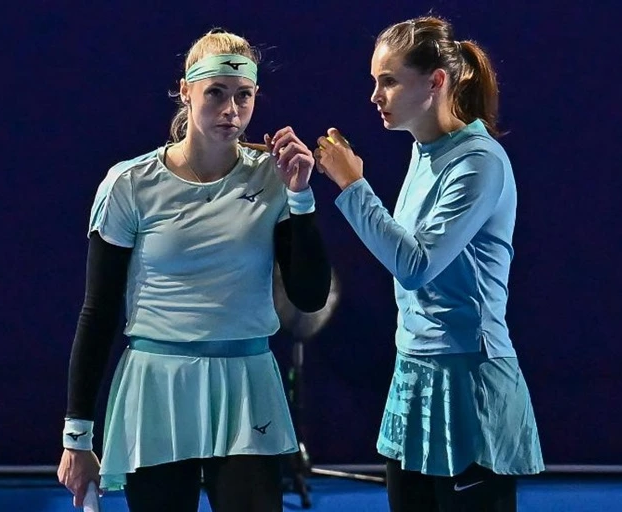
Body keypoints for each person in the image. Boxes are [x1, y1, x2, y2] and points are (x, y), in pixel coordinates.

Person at [56, 28, 331, 512]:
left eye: (243, 96)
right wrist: (77, 437)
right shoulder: (128, 184)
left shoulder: (274, 178)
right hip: (157, 389)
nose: (231, 110)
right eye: (216, 93)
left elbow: (309, 297)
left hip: (247, 386)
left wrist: (301, 197)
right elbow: (98, 311)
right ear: (186, 91)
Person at [314, 15, 544, 512]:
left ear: (435, 81)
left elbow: (416, 265)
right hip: (413, 374)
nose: (375, 95)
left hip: (470, 378)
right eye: (375, 81)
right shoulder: (423, 153)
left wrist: (352, 186)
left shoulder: (479, 161)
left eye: (389, 81)